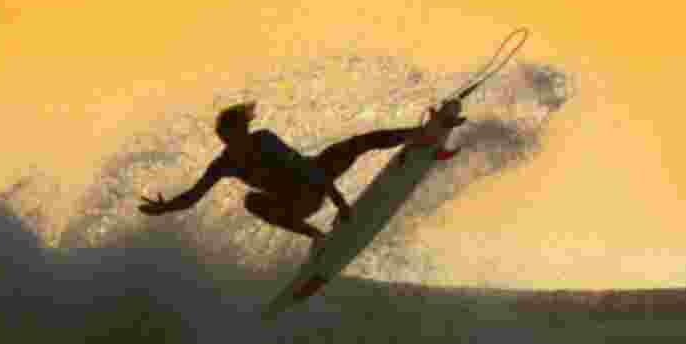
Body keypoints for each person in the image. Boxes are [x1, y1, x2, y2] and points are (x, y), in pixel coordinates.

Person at [139, 101, 465, 249]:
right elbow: (194, 197)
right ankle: (317, 238)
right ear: (225, 140)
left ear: (246, 130)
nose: (238, 142)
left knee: (355, 144)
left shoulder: (264, 140)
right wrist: (165, 208)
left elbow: (307, 169)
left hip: (316, 177)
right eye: (231, 138)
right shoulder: (223, 164)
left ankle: (424, 133)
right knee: (251, 201)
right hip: (297, 202)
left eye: (241, 133)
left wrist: (339, 202)